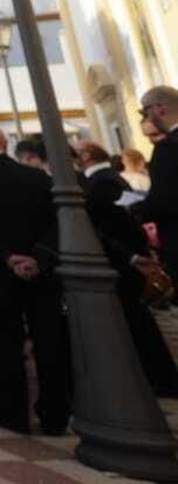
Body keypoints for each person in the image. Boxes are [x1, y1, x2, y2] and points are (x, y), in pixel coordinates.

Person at [0, 123, 69, 434]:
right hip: (38, 273)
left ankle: (12, 413)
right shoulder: (35, 177)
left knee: (4, 345)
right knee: (49, 344)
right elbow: (56, 221)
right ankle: (54, 415)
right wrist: (37, 257)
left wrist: (4, 256)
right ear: (5, 143)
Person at [75, 139, 178, 396]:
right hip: (126, 258)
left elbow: (111, 226)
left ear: (86, 155)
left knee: (137, 322)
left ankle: (160, 380)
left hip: (121, 261)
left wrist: (131, 256)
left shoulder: (101, 183)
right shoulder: (107, 178)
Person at [133, 86, 178, 277]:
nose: (146, 118)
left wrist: (136, 210)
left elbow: (164, 201)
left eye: (145, 111)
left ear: (159, 109)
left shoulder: (167, 148)